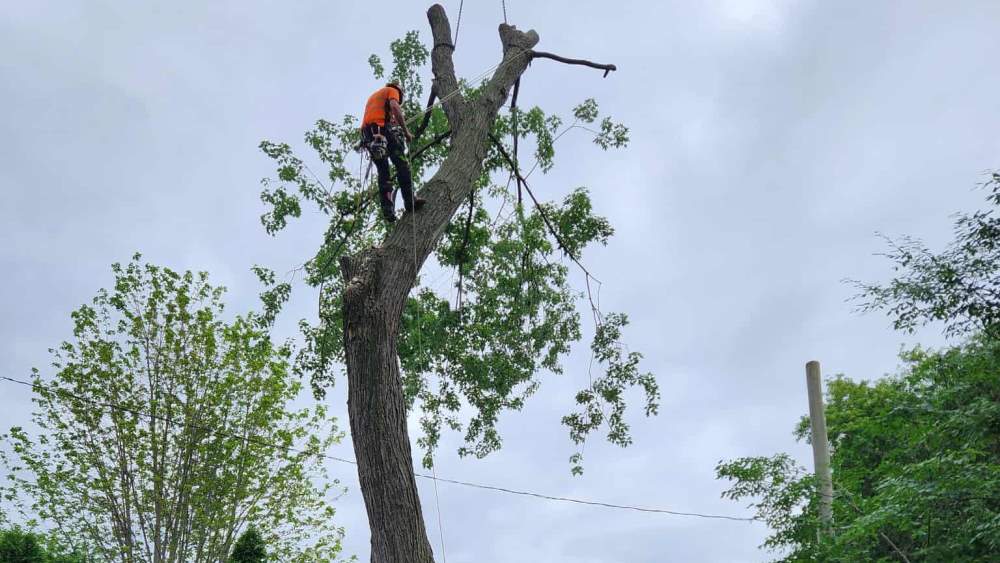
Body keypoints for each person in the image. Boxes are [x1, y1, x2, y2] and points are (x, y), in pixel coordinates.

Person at [361, 81, 426, 222]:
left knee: (383, 172)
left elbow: (383, 116)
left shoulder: (375, 97)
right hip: (380, 130)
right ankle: (410, 201)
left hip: (369, 135)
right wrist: (406, 132)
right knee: (402, 164)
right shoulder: (392, 90)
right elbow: (395, 108)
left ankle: (387, 209)